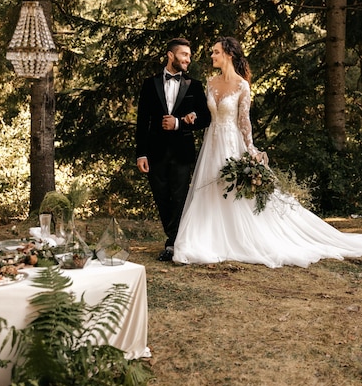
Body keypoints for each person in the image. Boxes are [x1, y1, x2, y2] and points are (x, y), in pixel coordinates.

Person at [173, 36, 362, 268]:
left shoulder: (243, 86)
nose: (211, 56)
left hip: (232, 142)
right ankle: (208, 237)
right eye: (212, 52)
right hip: (211, 143)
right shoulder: (210, 83)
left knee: (233, 189)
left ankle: (237, 236)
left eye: (216, 52)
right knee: (210, 187)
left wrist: (251, 149)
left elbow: (244, 122)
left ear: (229, 55)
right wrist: (192, 115)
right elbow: (204, 114)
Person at [136, 38, 211, 261]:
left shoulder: (194, 86)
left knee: (179, 197)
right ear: (171, 55)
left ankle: (173, 243)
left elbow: (206, 118)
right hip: (155, 151)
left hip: (182, 151)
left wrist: (179, 122)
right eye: (184, 55)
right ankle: (174, 237)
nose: (188, 59)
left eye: (189, 56)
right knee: (161, 197)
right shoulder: (150, 84)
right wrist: (141, 153)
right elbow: (142, 122)